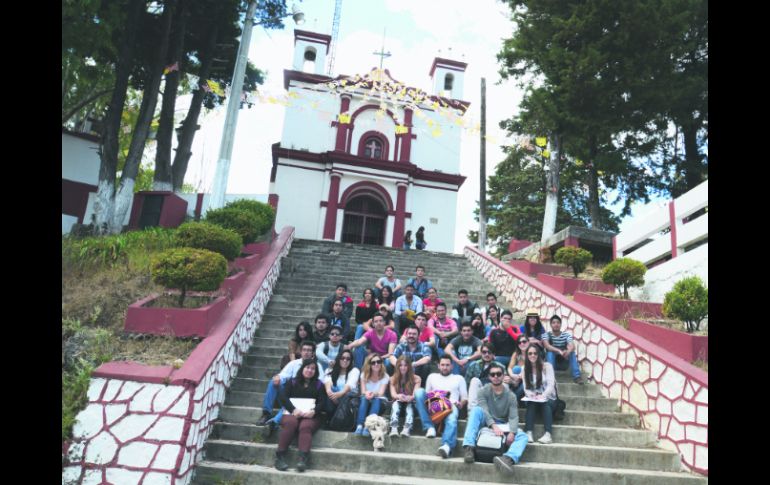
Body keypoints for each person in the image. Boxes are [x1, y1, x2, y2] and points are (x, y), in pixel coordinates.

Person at [461, 364, 529, 474]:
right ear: (489, 377)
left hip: (503, 423)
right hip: (487, 422)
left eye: (499, 374)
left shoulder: (511, 396)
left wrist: (512, 432)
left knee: (523, 436)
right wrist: (493, 426)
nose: (496, 376)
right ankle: (469, 448)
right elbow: (485, 411)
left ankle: (507, 459)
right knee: (476, 410)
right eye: (493, 374)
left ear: (503, 376)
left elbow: (513, 416)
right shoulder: (483, 391)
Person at [259, 342, 323, 436]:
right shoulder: (294, 363)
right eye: (304, 350)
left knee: (289, 402)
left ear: (313, 353)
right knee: (273, 383)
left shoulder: (317, 366)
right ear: (300, 352)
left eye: (309, 350)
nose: (306, 352)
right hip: (289, 394)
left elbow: (321, 382)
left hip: (307, 399)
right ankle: (266, 413)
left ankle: (273, 422)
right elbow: (283, 375)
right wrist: (278, 377)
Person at [274, 359, 327, 472]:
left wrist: (314, 411)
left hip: (311, 415)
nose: (310, 370)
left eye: (313, 369)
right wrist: (293, 410)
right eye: (307, 367)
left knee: (305, 426)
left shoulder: (319, 385)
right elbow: (283, 398)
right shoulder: (292, 382)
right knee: (291, 423)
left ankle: (303, 459)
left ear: (316, 371)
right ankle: (280, 456)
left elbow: (323, 402)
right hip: (292, 412)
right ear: (302, 368)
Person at [414, 355, 468, 458]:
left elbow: (465, 397)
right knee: (419, 392)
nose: (445, 367)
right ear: (438, 366)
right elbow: (425, 396)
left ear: (452, 366)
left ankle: (447, 446)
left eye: (447, 365)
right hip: (434, 405)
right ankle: (429, 427)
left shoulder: (459, 378)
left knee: (452, 419)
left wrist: (461, 404)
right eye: (442, 365)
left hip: (451, 405)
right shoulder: (432, 377)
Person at [522, 343, 557, 444]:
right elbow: (526, 388)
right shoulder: (524, 369)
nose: (533, 355)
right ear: (527, 355)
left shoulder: (547, 366)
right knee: (531, 403)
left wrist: (543, 396)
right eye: (530, 353)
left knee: (545, 404)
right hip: (534, 398)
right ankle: (528, 432)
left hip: (549, 397)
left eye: (535, 353)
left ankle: (548, 434)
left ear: (539, 354)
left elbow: (551, 385)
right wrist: (532, 395)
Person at [353, 354, 390, 436]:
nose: (376, 364)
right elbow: (363, 391)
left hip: (380, 402)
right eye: (373, 362)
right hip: (366, 399)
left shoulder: (385, 376)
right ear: (369, 364)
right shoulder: (364, 375)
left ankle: (368, 426)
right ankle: (359, 425)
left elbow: (381, 393)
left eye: (378, 362)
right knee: (364, 398)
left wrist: (373, 394)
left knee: (377, 399)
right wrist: (367, 393)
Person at [465, 342, 510, 409]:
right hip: (478, 393)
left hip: (494, 393)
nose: (487, 354)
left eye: (489, 352)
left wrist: (507, 380)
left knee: (505, 384)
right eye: (484, 352)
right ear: (481, 353)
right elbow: (467, 383)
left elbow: (505, 382)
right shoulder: (473, 365)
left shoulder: (500, 367)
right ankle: (471, 412)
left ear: (493, 354)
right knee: (474, 380)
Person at [542, 315, 584, 384]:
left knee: (571, 352)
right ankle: (550, 377)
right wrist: (559, 351)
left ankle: (577, 376)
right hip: (551, 363)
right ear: (551, 325)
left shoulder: (566, 335)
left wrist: (568, 351)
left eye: (558, 322)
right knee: (550, 352)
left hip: (564, 363)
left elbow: (572, 346)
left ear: (561, 324)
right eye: (554, 323)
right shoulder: (546, 335)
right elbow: (547, 346)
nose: (556, 324)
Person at [389, 355, 421, 437]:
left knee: (409, 406)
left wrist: (410, 397)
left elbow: (415, 395)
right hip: (398, 404)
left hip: (411, 404)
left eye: (405, 365)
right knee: (395, 404)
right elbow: (393, 394)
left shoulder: (417, 379)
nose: (403, 368)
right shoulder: (392, 379)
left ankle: (407, 428)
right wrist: (399, 396)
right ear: (397, 367)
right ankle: (393, 428)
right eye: (400, 365)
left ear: (409, 367)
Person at [323, 349, 360, 418]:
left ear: (351, 361)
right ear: (338, 359)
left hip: (346, 401)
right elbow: (327, 381)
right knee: (324, 392)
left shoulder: (354, 371)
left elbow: (350, 385)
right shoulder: (329, 370)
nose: (345, 360)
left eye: (348, 359)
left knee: (347, 395)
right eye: (342, 358)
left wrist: (340, 394)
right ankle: (329, 418)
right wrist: (330, 393)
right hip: (333, 398)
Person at [507, 335, 531, 402]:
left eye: (524, 341)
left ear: (528, 342)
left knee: (526, 380)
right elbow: (509, 368)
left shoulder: (532, 353)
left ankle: (513, 399)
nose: (522, 344)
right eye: (519, 342)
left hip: (528, 379)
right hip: (516, 380)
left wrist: (522, 375)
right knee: (516, 369)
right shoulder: (516, 354)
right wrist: (512, 375)